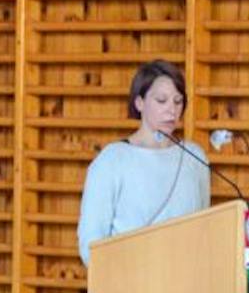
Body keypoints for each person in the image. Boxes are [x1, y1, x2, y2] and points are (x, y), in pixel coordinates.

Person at [77, 59, 210, 266]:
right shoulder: (111, 160)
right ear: (139, 102)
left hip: (185, 284)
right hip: (129, 285)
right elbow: (91, 243)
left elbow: (203, 230)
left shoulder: (195, 157)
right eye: (161, 100)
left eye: (178, 101)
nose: (171, 110)